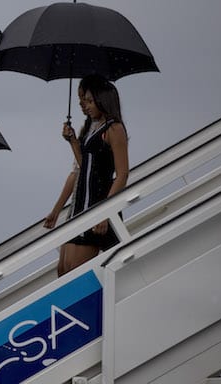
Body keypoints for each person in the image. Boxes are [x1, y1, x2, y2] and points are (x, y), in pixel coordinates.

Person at [56, 79, 129, 276]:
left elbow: (122, 174)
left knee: (75, 273)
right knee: (63, 270)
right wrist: (72, 141)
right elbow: (85, 165)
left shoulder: (114, 129)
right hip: (80, 205)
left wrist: (105, 211)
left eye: (89, 101)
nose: (85, 105)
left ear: (102, 100)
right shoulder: (91, 128)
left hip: (97, 206)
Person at [44, 74, 109, 276]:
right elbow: (77, 172)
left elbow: (93, 170)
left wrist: (73, 142)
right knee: (63, 268)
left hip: (91, 201)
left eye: (86, 99)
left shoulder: (108, 129)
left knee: (74, 269)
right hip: (76, 202)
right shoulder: (87, 130)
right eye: (80, 98)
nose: (81, 104)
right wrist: (56, 210)